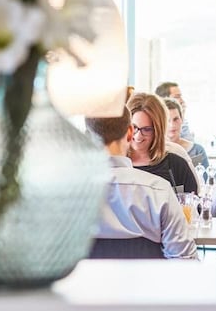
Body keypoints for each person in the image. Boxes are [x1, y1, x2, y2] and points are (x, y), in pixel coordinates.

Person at [85, 105, 197, 260]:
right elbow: (185, 260)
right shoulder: (159, 191)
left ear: (86, 137)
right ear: (130, 133)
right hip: (149, 275)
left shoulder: (62, 193)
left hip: (84, 276)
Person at [126, 93, 198, 194]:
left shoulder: (176, 165)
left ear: (158, 130)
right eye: (134, 127)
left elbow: (193, 201)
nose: (138, 136)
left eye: (147, 129)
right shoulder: (114, 165)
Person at [163, 97, 208, 170]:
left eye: (176, 119)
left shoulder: (197, 151)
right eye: (167, 120)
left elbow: (205, 176)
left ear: (182, 120)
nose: (172, 125)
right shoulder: (153, 153)